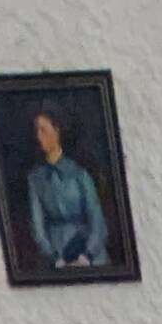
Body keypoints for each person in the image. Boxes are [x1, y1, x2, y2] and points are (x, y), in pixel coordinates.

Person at [24, 110, 110, 272]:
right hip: (56, 254)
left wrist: (87, 255)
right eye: (36, 131)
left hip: (88, 249)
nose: (38, 136)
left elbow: (96, 219)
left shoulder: (79, 174)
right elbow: (37, 226)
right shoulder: (35, 179)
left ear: (56, 131)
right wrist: (54, 257)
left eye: (43, 130)